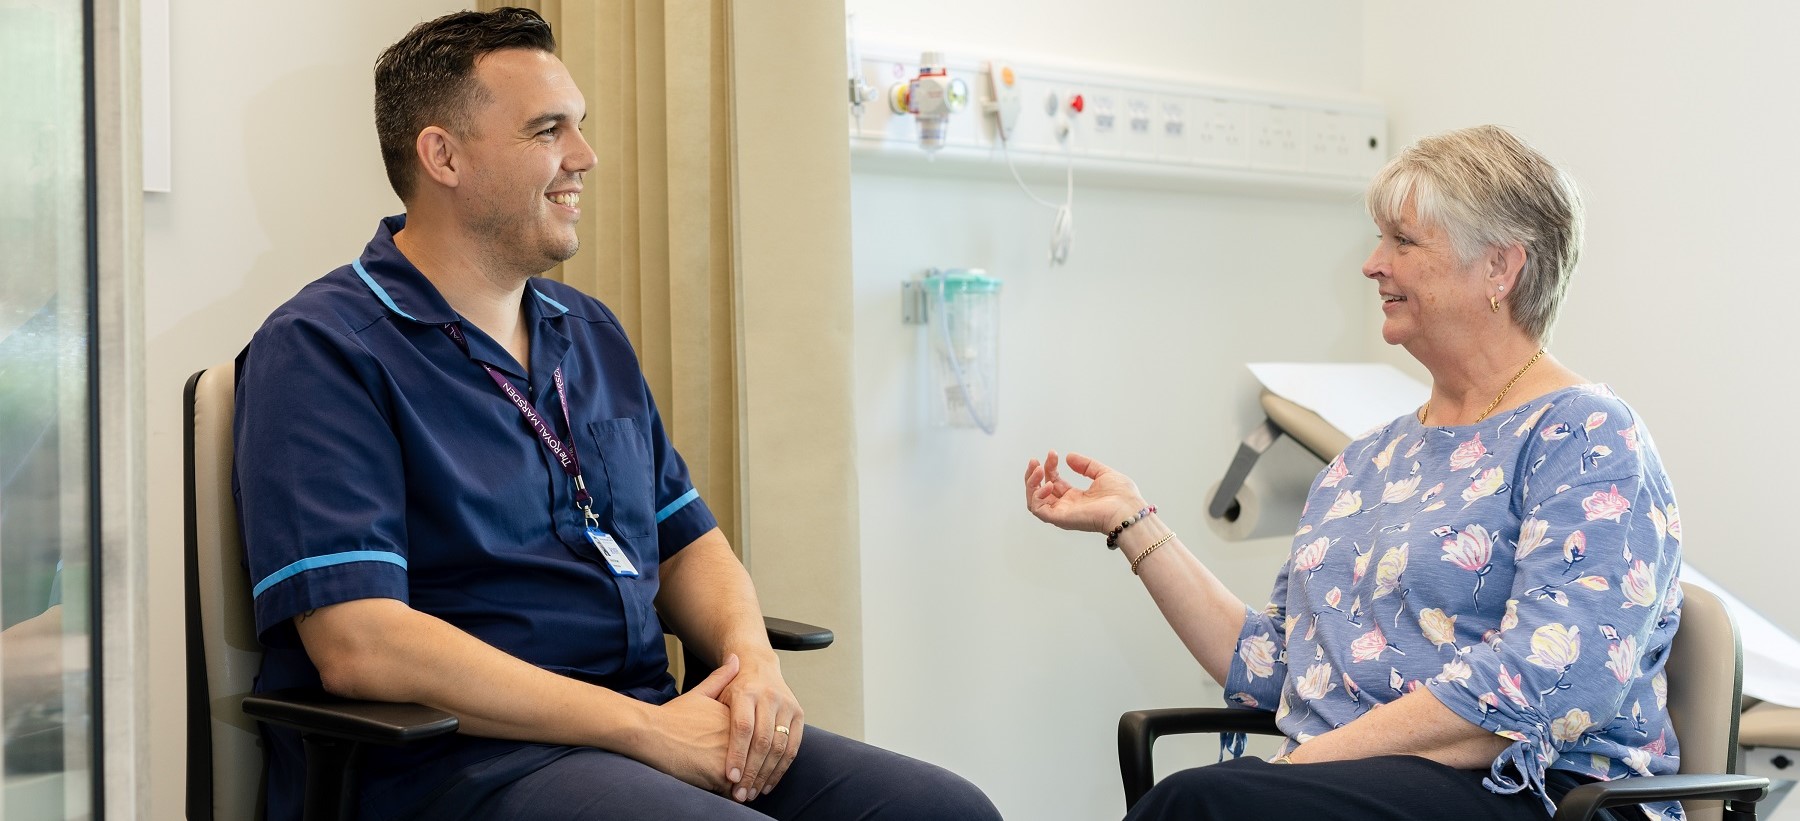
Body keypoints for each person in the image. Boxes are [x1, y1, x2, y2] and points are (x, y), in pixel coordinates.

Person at [234, 8, 1000, 821]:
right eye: (547, 130)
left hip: (642, 729)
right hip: (456, 765)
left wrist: (752, 666)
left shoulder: (587, 330)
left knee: (948, 810)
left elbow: (687, 542)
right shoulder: (322, 350)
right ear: (443, 155)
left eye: (582, 126)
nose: (584, 157)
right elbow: (362, 645)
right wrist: (646, 730)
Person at [1024, 126, 1683, 821]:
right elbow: (1282, 670)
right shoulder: (1365, 460)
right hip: (1372, 784)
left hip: (1530, 788)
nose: (1373, 264)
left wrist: (1303, 763)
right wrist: (1132, 521)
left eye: (1403, 241)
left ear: (1500, 266)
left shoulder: (1584, 435)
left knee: (1203, 802)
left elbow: (1545, 676)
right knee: (1210, 802)